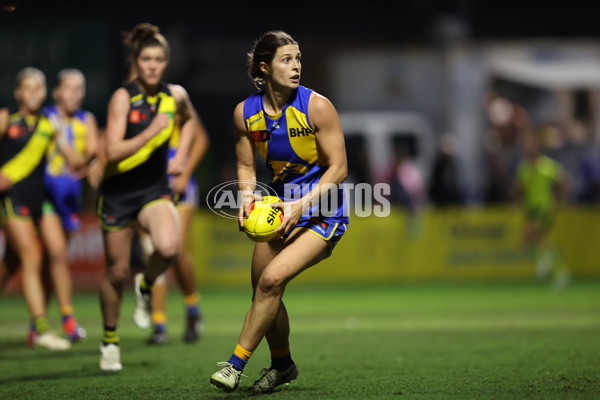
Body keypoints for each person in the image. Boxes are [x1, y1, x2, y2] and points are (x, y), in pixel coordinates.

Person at [209, 30, 349, 393]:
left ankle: (235, 365)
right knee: (262, 290)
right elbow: (244, 168)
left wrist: (300, 204)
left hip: (323, 212)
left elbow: (339, 169)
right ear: (264, 66)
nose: (296, 66)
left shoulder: (317, 106)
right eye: (287, 59)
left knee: (271, 281)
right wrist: (245, 198)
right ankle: (283, 365)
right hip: (278, 209)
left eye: (298, 58)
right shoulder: (245, 114)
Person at [97, 23, 197, 371]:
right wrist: (152, 132)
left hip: (154, 190)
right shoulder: (123, 97)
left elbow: (190, 124)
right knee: (116, 270)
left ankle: (147, 284)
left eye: (158, 59)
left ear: (166, 62)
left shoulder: (175, 96)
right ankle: (110, 340)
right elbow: (111, 150)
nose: (152, 65)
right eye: (146, 59)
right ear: (136, 62)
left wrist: (181, 158)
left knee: (168, 248)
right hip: (118, 193)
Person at [0, 67, 77, 350]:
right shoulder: (7, 118)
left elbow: (74, 159)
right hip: (11, 199)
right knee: (32, 255)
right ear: (18, 92)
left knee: (11, 265)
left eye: (38, 88)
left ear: (45, 93)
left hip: (36, 201)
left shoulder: (48, 124)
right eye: (27, 88)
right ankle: (41, 328)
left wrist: (96, 158)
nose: (33, 93)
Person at [38, 68, 98, 343]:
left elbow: (91, 157)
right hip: (45, 197)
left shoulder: (87, 121)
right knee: (58, 256)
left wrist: (88, 168)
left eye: (79, 88)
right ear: (57, 92)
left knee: (51, 263)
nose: (74, 93)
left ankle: (36, 320)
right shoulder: (45, 118)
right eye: (68, 87)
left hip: (71, 200)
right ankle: (68, 320)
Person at [140, 111, 209, 345]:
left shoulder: (174, 98)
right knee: (152, 253)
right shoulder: (129, 104)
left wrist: (186, 172)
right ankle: (159, 325)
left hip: (178, 186)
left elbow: (201, 139)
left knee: (177, 251)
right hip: (146, 187)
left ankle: (192, 309)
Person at [515, 127, 571, 289]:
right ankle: (550, 264)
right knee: (530, 242)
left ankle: (553, 268)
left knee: (534, 237)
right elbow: (520, 188)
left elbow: (564, 182)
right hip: (531, 209)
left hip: (545, 207)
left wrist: (561, 200)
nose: (527, 149)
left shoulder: (547, 166)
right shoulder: (524, 168)